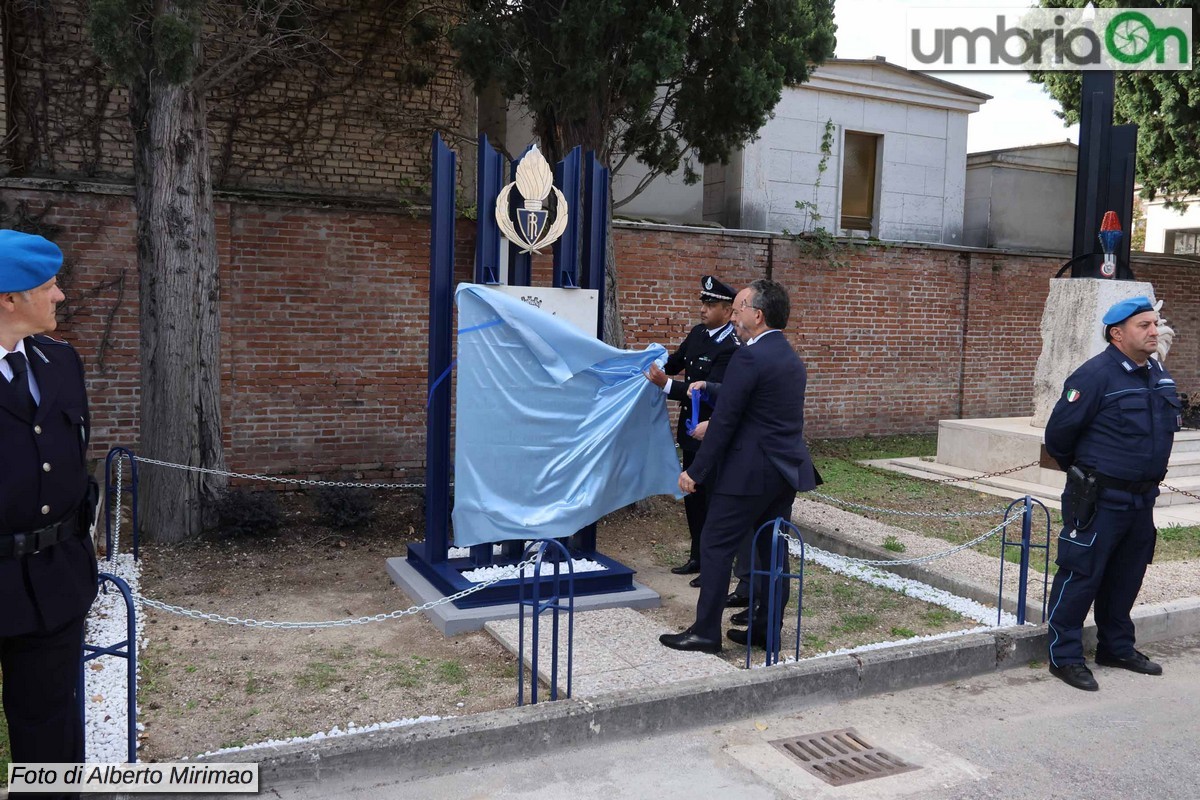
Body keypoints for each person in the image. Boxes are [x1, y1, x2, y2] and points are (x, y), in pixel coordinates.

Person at [659, 279, 820, 653]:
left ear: (757, 315)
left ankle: (704, 632)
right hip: (783, 473)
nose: (733, 315)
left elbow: (728, 421)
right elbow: (759, 401)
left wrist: (695, 473)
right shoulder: (787, 355)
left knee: (715, 545)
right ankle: (767, 630)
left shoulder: (749, 355)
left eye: (739, 308)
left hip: (746, 473)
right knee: (773, 551)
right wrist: (710, 388)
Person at [1044, 295, 1182, 692]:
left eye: (1155, 324)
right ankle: (1064, 655)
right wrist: (1090, 474)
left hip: (1142, 499)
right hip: (1100, 498)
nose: (1155, 331)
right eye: (1144, 325)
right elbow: (1059, 437)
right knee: (1081, 574)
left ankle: (1116, 647)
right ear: (1117, 333)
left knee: (1127, 576)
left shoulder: (1158, 374)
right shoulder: (1095, 376)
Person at [0, 230, 99, 778]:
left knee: (53, 731)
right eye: (49, 286)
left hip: (53, 579)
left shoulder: (60, 362)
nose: (59, 296)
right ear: (9, 299)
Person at [644, 275, 739, 579]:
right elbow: (673, 363)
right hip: (691, 434)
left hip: (713, 434)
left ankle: (713, 566)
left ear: (727, 309)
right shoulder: (698, 333)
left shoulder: (732, 346)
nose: (703, 309)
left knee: (712, 501)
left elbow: (714, 388)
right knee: (694, 499)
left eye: (711, 304)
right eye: (703, 303)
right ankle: (697, 556)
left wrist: (667, 384)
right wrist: (648, 364)